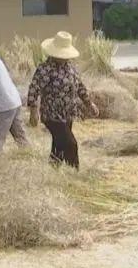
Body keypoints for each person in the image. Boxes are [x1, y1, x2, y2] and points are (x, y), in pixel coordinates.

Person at [26, 31, 97, 169]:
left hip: (68, 113)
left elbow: (80, 87)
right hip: (52, 115)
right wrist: (33, 111)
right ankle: (74, 173)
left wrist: (89, 103)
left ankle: (54, 170)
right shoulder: (45, 69)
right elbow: (34, 89)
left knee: (59, 145)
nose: (64, 58)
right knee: (71, 143)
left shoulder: (71, 68)